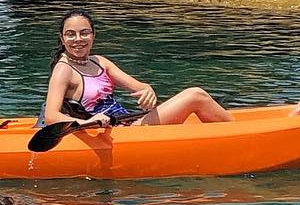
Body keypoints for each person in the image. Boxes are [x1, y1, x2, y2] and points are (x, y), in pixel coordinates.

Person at [43, 9, 233, 129]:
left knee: (197, 96)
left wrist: (148, 90)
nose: (78, 39)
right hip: (116, 131)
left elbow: (140, 88)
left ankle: (237, 133)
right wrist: (87, 123)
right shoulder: (63, 70)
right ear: (62, 38)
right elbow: (52, 116)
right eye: (71, 34)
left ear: (93, 35)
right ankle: (239, 135)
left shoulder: (99, 61)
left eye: (84, 33)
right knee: (196, 96)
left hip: (129, 121)